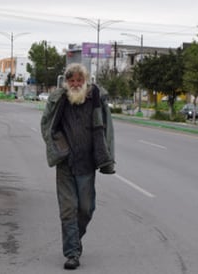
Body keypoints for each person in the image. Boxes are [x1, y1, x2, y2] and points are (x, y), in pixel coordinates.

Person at [41, 63, 115, 270]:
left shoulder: (96, 100)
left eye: (79, 80)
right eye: (71, 80)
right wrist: (58, 147)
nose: (75, 84)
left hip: (87, 164)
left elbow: (107, 129)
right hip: (65, 163)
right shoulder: (58, 99)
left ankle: (75, 239)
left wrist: (107, 156)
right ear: (66, 82)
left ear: (85, 81)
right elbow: (46, 126)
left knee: (86, 208)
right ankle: (72, 253)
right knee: (68, 210)